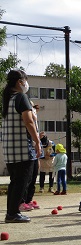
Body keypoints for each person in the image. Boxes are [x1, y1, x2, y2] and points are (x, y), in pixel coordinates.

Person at [1, 69, 41, 223]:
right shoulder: (20, 97)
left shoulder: (8, 99)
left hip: (10, 150)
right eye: (25, 80)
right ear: (20, 81)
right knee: (22, 181)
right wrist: (37, 141)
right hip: (22, 149)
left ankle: (11, 212)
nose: (26, 83)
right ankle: (12, 214)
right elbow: (29, 121)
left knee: (15, 181)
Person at [19, 102, 41, 211]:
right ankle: (21, 202)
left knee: (33, 177)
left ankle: (28, 200)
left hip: (35, 150)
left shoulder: (35, 122)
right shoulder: (27, 119)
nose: (33, 110)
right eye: (31, 107)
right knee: (26, 178)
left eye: (34, 107)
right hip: (28, 149)